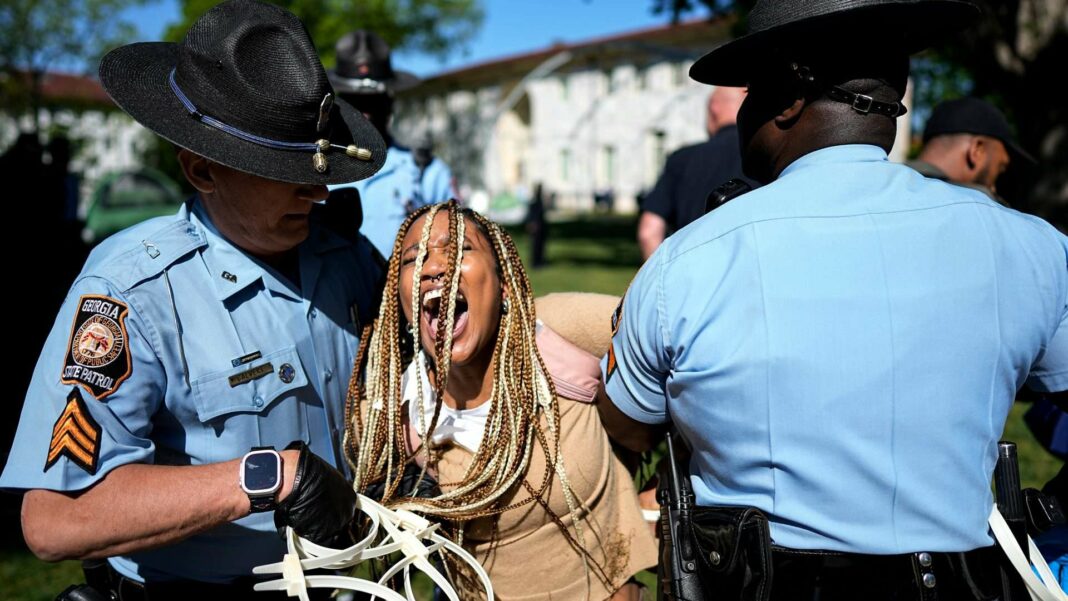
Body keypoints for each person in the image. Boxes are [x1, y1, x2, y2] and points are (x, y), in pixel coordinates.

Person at [596, 0, 1068, 599]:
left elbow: (623, 427)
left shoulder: (687, 263)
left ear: (789, 94)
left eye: (750, 92)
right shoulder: (1031, 246)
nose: (742, 113)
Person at [0, 1, 386, 597]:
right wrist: (266, 477)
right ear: (202, 170)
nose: (317, 190)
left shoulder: (345, 258)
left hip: (336, 583)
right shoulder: (131, 291)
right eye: (283, 170)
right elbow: (55, 518)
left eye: (320, 167)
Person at [343, 200, 657, 600]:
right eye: (412, 259)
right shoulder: (396, 412)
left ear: (503, 282)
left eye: (461, 248)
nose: (434, 265)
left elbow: (682, 340)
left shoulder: (555, 333)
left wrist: (665, 485)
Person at [328, 30, 456, 256]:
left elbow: (455, 239)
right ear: (339, 105)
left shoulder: (425, 170)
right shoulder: (317, 165)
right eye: (355, 101)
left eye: (374, 101)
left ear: (390, 104)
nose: (365, 114)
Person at [637, 85, 754, 260]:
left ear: (713, 108)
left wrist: (663, 279)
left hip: (692, 272)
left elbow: (649, 232)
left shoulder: (682, 159)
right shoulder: (766, 156)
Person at [909, 96, 1035, 205]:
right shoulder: (982, 208)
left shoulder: (892, 184)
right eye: (1000, 168)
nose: (994, 188)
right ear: (977, 150)